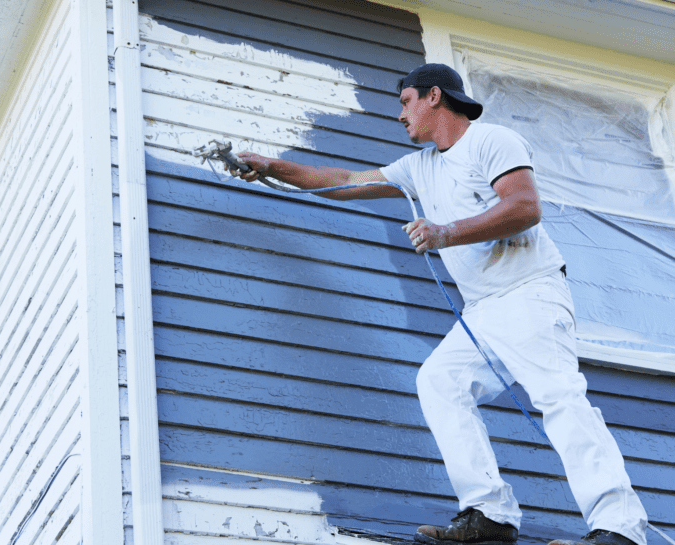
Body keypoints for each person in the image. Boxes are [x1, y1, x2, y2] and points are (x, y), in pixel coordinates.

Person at [229, 63, 648, 545]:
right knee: (439, 381)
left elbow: (524, 207)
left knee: (558, 396)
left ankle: (620, 528)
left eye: (405, 102)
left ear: (433, 96)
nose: (400, 116)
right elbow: (341, 178)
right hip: (484, 310)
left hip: (531, 291)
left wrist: (445, 232)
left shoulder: (491, 141)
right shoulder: (418, 167)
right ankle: (490, 516)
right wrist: (271, 168)